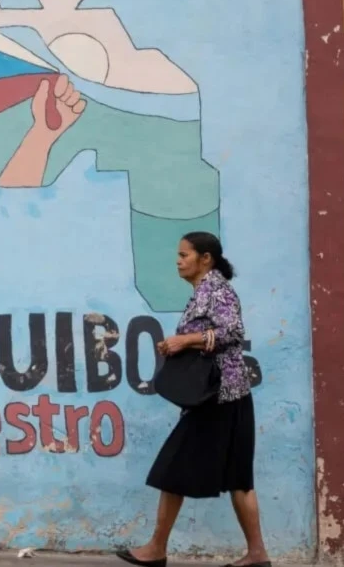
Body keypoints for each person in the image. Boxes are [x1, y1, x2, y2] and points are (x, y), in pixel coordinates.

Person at [116, 232, 271, 567]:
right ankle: (257, 554)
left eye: (184, 254)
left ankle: (157, 548)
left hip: (216, 397)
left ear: (206, 259)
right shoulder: (206, 291)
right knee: (238, 477)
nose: (178, 260)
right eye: (178, 254)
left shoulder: (216, 290)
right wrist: (183, 343)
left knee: (173, 467)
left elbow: (233, 332)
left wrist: (184, 340)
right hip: (231, 396)